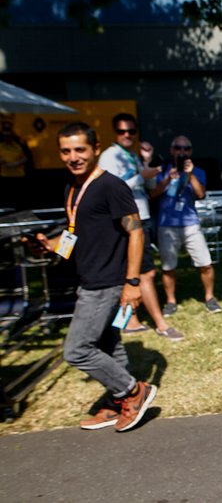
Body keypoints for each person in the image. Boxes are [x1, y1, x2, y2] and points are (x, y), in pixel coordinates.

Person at [25, 122, 157, 431]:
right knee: (110, 344)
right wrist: (49, 245)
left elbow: (136, 233)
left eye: (80, 149)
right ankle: (117, 403)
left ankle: (133, 391)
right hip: (90, 279)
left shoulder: (111, 186)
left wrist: (133, 283)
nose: (73, 157)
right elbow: (76, 234)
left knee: (77, 350)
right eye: (66, 151)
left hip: (107, 284)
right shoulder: (73, 186)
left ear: (96, 149)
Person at [99, 113, 184, 340]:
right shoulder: (109, 157)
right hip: (128, 220)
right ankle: (161, 324)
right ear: (115, 132)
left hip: (142, 216)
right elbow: (110, 189)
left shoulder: (131, 156)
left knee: (133, 270)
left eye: (131, 131)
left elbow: (149, 187)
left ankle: (130, 320)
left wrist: (147, 164)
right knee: (146, 272)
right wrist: (141, 176)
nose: (127, 135)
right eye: (121, 131)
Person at [151, 135, 222, 315]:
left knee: (205, 263)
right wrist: (167, 178)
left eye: (186, 148)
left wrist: (189, 175)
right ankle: (170, 301)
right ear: (171, 150)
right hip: (167, 225)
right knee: (168, 266)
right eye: (178, 148)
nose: (182, 152)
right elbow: (152, 194)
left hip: (190, 224)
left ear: (190, 151)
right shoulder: (161, 170)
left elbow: (200, 194)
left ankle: (210, 297)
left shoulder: (197, 172)